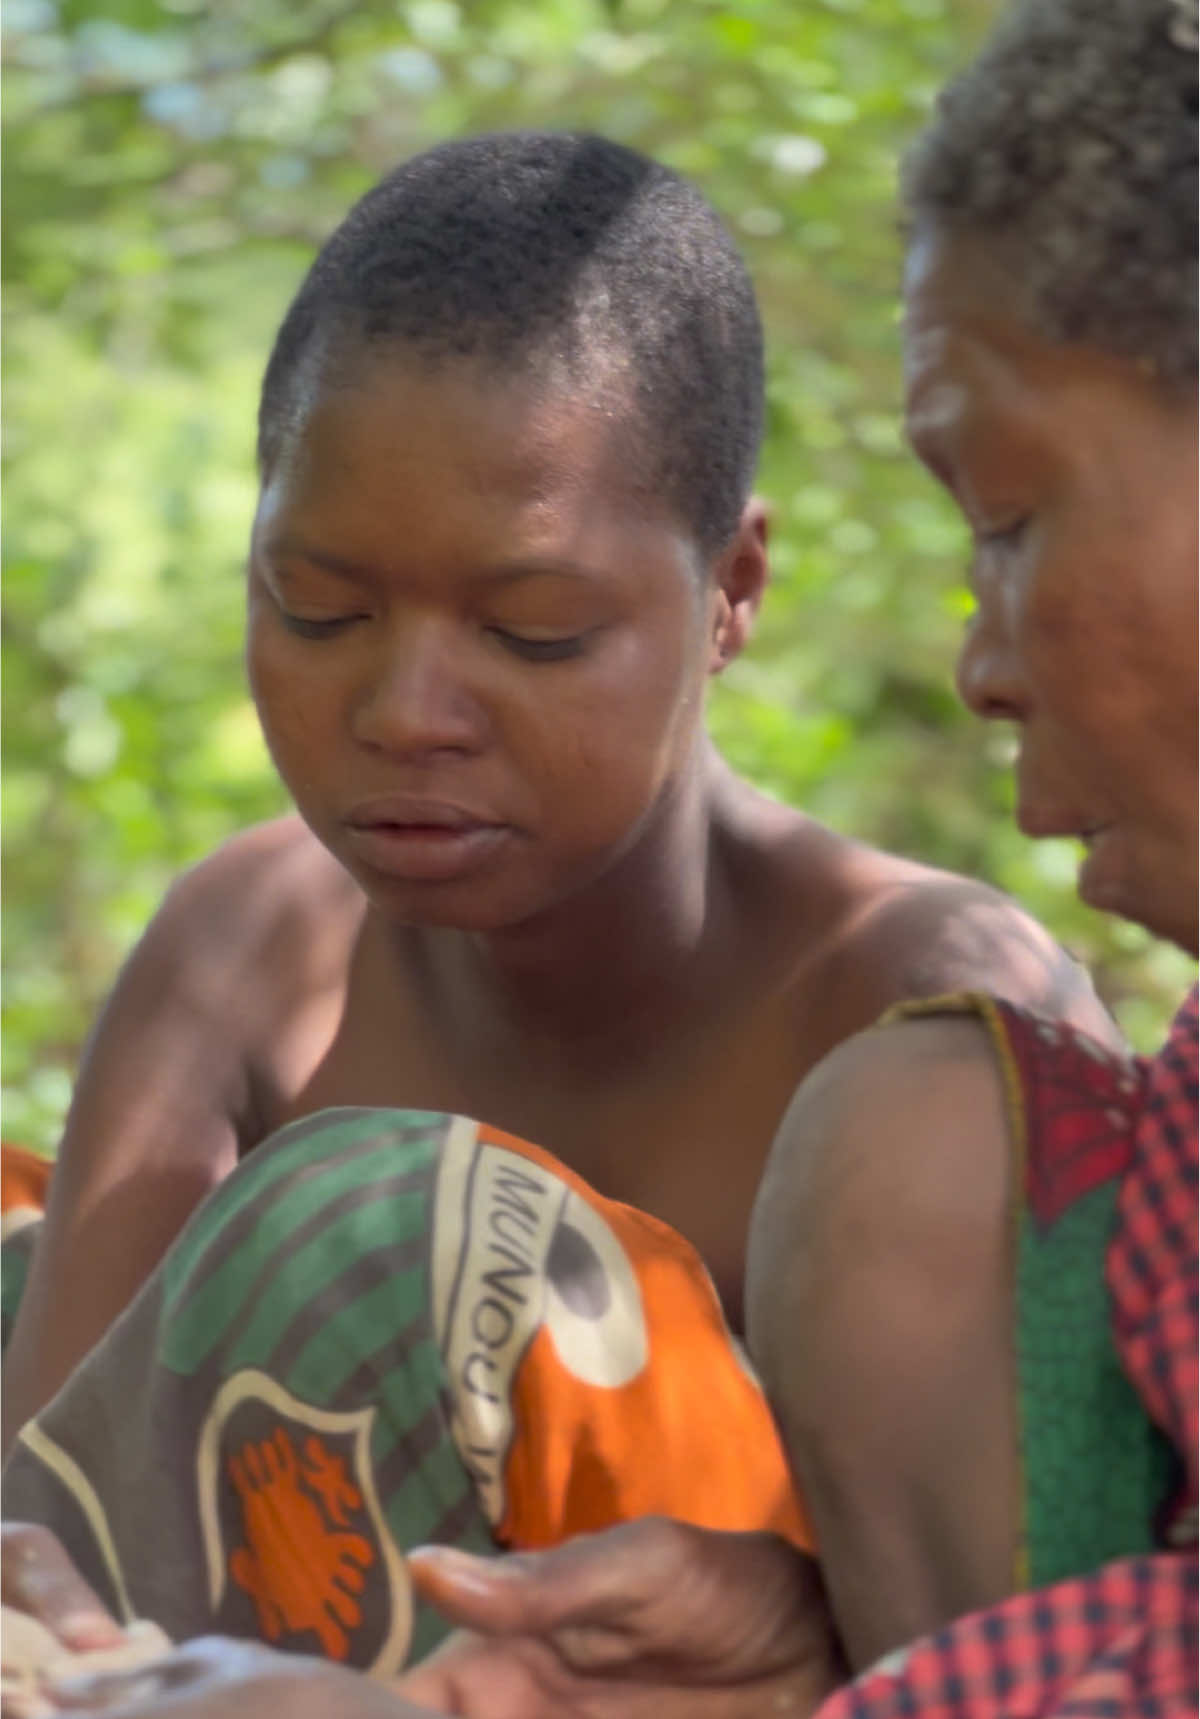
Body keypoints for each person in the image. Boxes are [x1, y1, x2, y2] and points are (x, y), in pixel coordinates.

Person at [4, 38, 1184, 1709]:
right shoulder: (256, 944)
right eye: (320, 611)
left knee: (386, 1222)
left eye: (535, 630)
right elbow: (55, 1519)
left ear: (732, 590)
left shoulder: (928, 1030)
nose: (405, 715)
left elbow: (1011, 1633)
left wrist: (787, 1609)